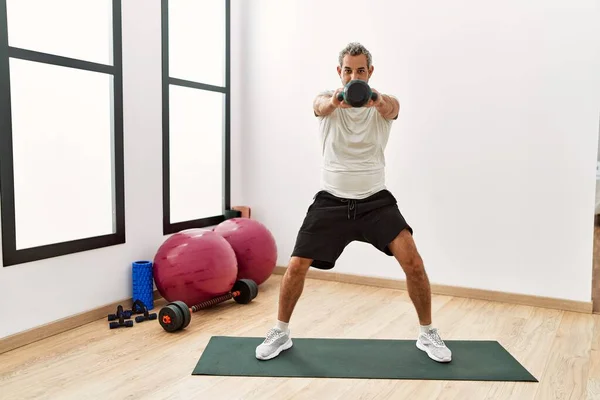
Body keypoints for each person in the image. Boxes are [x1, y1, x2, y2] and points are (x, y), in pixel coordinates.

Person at [255, 42, 452, 363]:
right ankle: (281, 332)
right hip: (331, 202)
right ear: (340, 72)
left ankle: (427, 334)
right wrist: (337, 99)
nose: (353, 75)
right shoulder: (328, 102)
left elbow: (392, 107)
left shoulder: (382, 105)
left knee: (413, 262)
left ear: (370, 72)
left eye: (360, 70)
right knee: (294, 267)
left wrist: (373, 99)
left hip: (376, 202)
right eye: (348, 70)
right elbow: (319, 105)